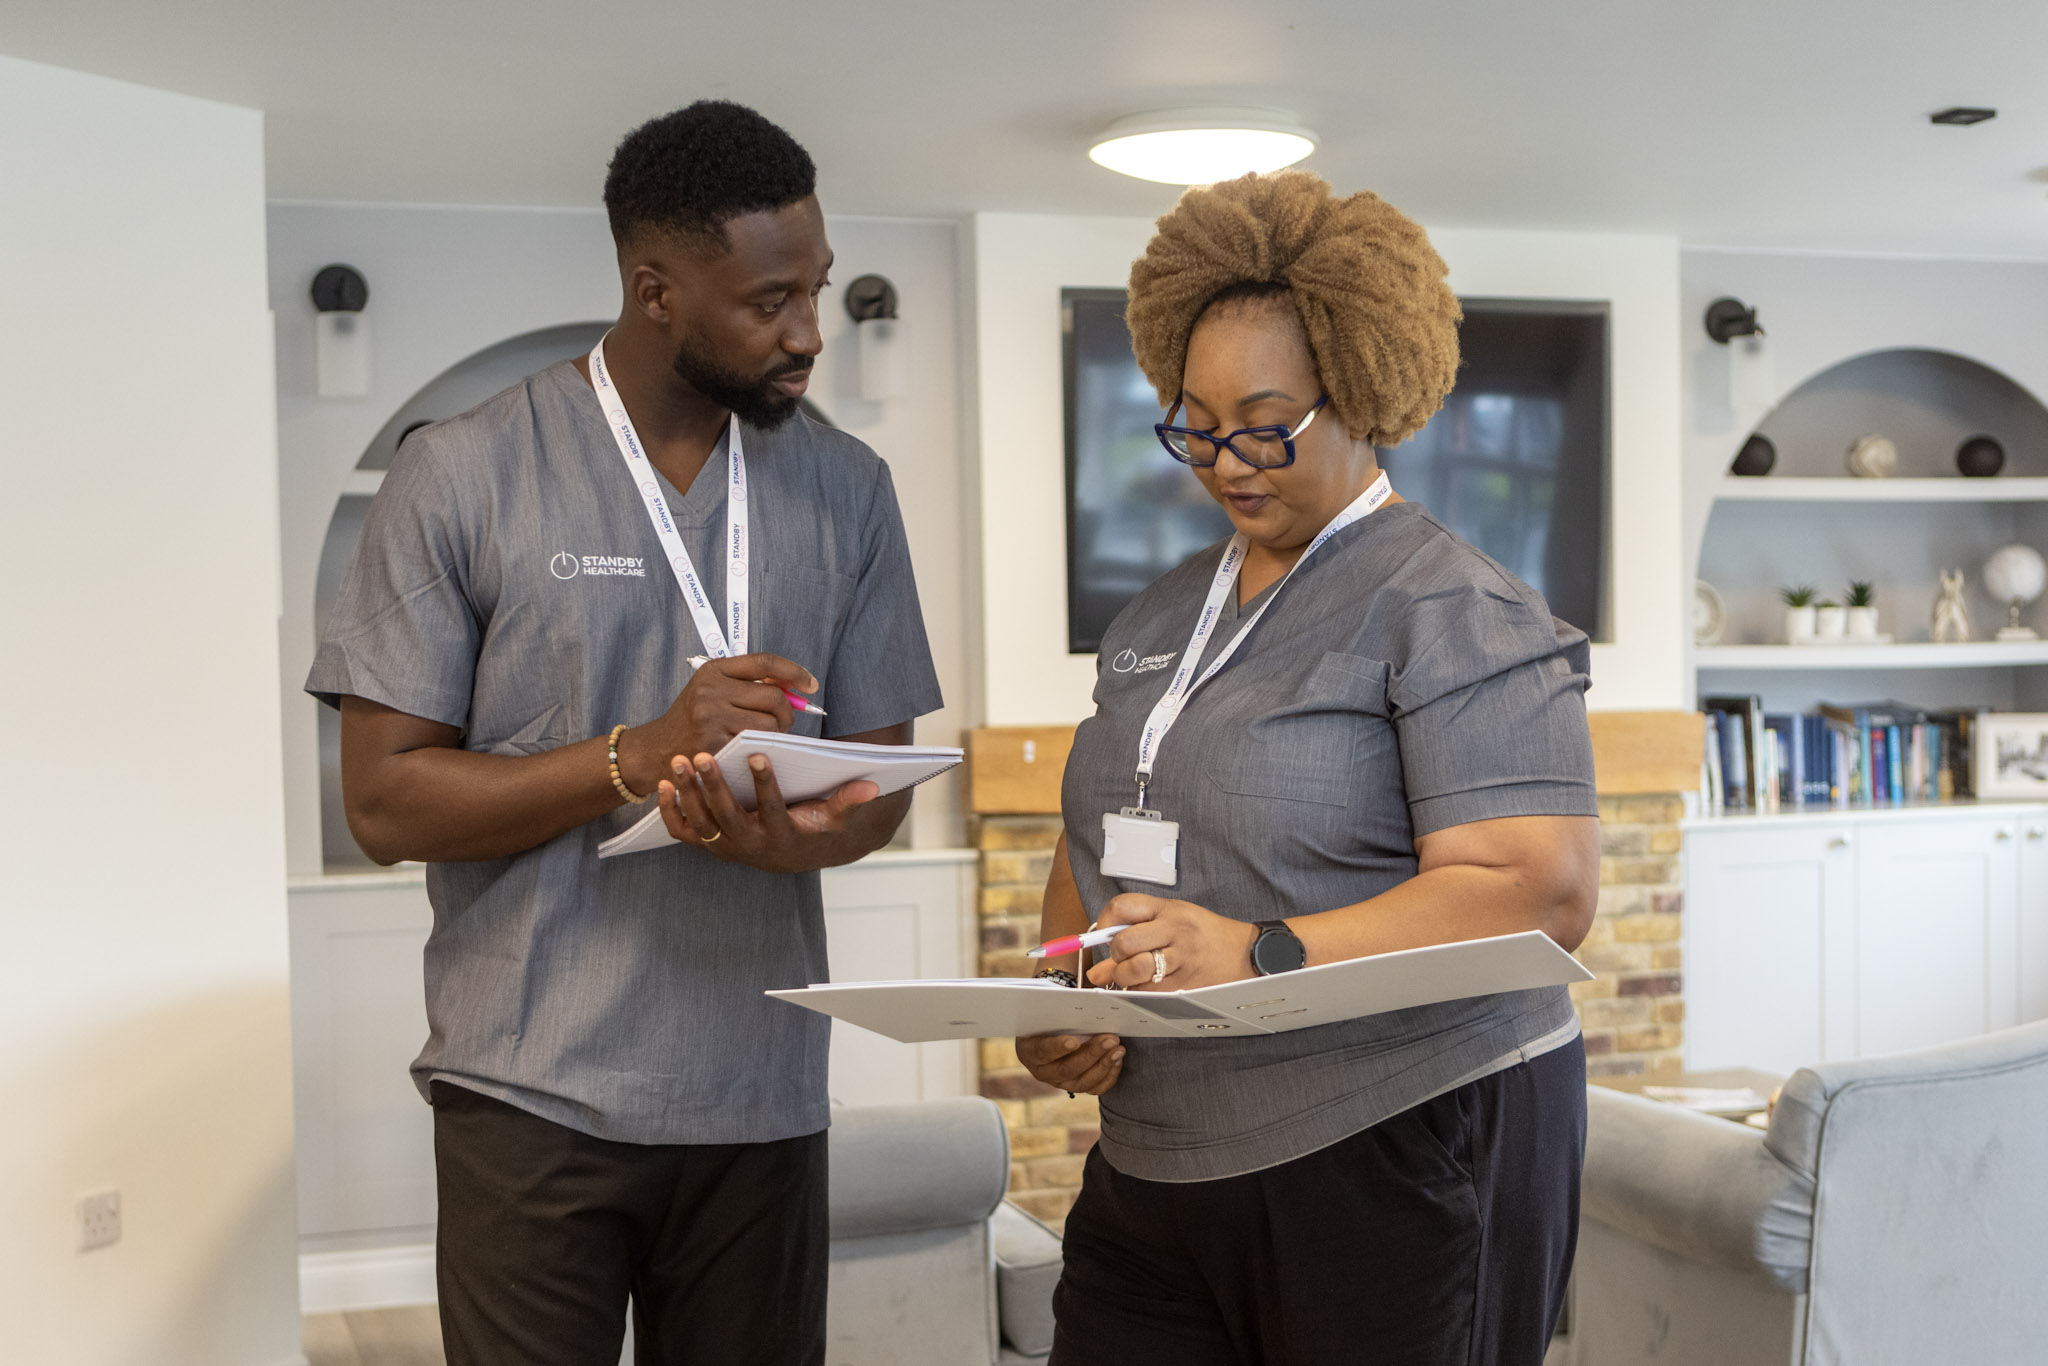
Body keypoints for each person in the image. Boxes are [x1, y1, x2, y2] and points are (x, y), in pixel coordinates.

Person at [307, 101, 943, 1366]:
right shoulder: (465, 471)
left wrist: (786, 841)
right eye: (769, 301)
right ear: (655, 290)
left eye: (814, 289)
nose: (808, 331)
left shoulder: (848, 488)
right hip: (530, 1097)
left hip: (760, 1098)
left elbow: (883, 794)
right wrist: (628, 757)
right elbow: (382, 803)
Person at [1017, 170, 1600, 1365]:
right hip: (1157, 1162)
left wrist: (1251, 951)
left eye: (1264, 421)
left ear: (1362, 393)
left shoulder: (1452, 604)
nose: (1226, 459)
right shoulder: (1157, 614)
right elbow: (1103, 824)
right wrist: (1060, 1001)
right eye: (1195, 423)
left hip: (1395, 1145)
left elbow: (1538, 889)